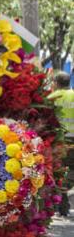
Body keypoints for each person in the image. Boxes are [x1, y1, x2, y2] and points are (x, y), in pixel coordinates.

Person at [48, 71, 74, 216]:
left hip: (57, 142)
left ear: (56, 83)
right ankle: (63, 196)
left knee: (59, 172)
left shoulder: (51, 98)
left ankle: (62, 202)